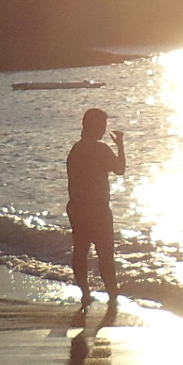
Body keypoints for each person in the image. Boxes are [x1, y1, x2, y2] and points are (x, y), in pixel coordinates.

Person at [65, 106, 126, 307]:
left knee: (81, 249)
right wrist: (121, 146)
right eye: (102, 125)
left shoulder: (76, 149)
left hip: (77, 207)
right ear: (95, 126)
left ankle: (85, 292)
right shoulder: (100, 149)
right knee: (105, 253)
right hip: (97, 208)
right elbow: (120, 169)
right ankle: (112, 294)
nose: (103, 129)